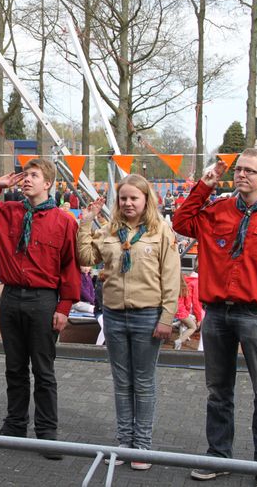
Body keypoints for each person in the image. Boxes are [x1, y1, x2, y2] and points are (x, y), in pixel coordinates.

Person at [172, 149, 257, 487]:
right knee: (218, 390)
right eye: (240, 169)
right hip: (217, 312)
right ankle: (218, 456)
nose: (242, 175)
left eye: (251, 170)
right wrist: (204, 186)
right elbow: (180, 222)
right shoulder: (217, 210)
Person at [0, 159, 79, 457]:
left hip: (43, 301)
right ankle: (15, 425)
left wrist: (64, 307)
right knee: (14, 367)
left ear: (48, 183)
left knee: (43, 369)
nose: (26, 180)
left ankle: (47, 432)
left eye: (34, 176)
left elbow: (70, 266)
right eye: (25, 175)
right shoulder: (7, 212)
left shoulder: (64, 221)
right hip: (12, 298)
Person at [79, 174, 180, 470]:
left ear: (146, 199)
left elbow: (171, 277)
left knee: (144, 383)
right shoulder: (110, 230)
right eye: (123, 198)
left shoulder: (161, 231)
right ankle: (124, 442)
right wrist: (86, 222)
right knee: (122, 383)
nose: (128, 203)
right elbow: (86, 256)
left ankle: (143, 447)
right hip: (113, 314)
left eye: (134, 197)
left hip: (148, 315)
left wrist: (167, 317)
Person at [174, 274, 203, 351]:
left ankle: (178, 328)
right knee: (193, 327)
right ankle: (179, 341)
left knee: (184, 322)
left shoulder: (176, 284)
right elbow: (191, 302)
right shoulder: (193, 283)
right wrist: (198, 318)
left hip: (172, 309)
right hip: (180, 311)